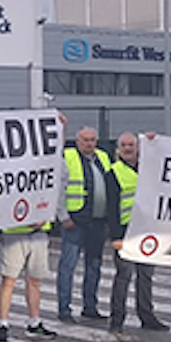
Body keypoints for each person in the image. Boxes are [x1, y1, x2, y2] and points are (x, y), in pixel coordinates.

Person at [105, 133, 167, 335]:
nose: (128, 148)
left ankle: (147, 316)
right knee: (124, 276)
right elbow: (112, 208)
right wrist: (115, 237)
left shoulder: (149, 168)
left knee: (146, 275)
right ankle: (117, 320)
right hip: (126, 231)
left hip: (147, 229)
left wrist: (153, 140)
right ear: (118, 148)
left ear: (138, 147)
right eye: (124, 145)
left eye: (131, 144)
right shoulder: (113, 172)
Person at [55, 126, 112, 321]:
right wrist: (63, 216)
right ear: (78, 141)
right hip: (76, 220)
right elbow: (59, 189)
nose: (89, 143)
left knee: (94, 265)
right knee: (68, 266)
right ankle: (64, 309)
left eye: (92, 140)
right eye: (85, 140)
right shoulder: (68, 157)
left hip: (97, 221)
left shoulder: (103, 157)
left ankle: (90, 306)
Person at [0, 215, 57, 342]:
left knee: (34, 280)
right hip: (14, 233)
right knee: (8, 280)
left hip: (39, 233)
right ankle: (3, 323)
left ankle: (34, 322)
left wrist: (45, 219)